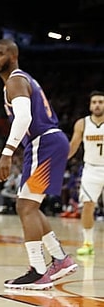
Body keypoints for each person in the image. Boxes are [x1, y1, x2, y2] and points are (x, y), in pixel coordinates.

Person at [0, 38, 78, 289]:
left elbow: (24, 118)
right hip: (50, 141)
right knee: (31, 206)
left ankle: (38, 271)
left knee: (25, 206)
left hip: (45, 142)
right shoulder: (20, 80)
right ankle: (60, 258)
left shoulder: (15, 80)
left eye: (0, 54)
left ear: (13, 56)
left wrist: (7, 153)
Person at [68, 90, 104, 256]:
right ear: (90, 105)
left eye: (101, 102)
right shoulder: (82, 123)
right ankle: (88, 243)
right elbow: (73, 146)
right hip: (91, 169)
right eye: (94, 102)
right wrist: (60, 160)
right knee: (88, 205)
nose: (97, 105)